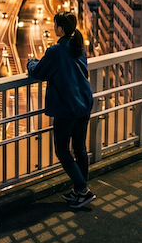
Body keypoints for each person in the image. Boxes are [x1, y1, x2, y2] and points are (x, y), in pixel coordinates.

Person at [27, 11, 96, 208]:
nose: (53, 27)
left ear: (60, 28)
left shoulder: (56, 51)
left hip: (67, 106)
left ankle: (83, 190)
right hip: (84, 102)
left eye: (55, 24)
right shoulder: (78, 46)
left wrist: (31, 63)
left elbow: (40, 72)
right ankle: (79, 191)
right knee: (79, 148)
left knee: (62, 150)